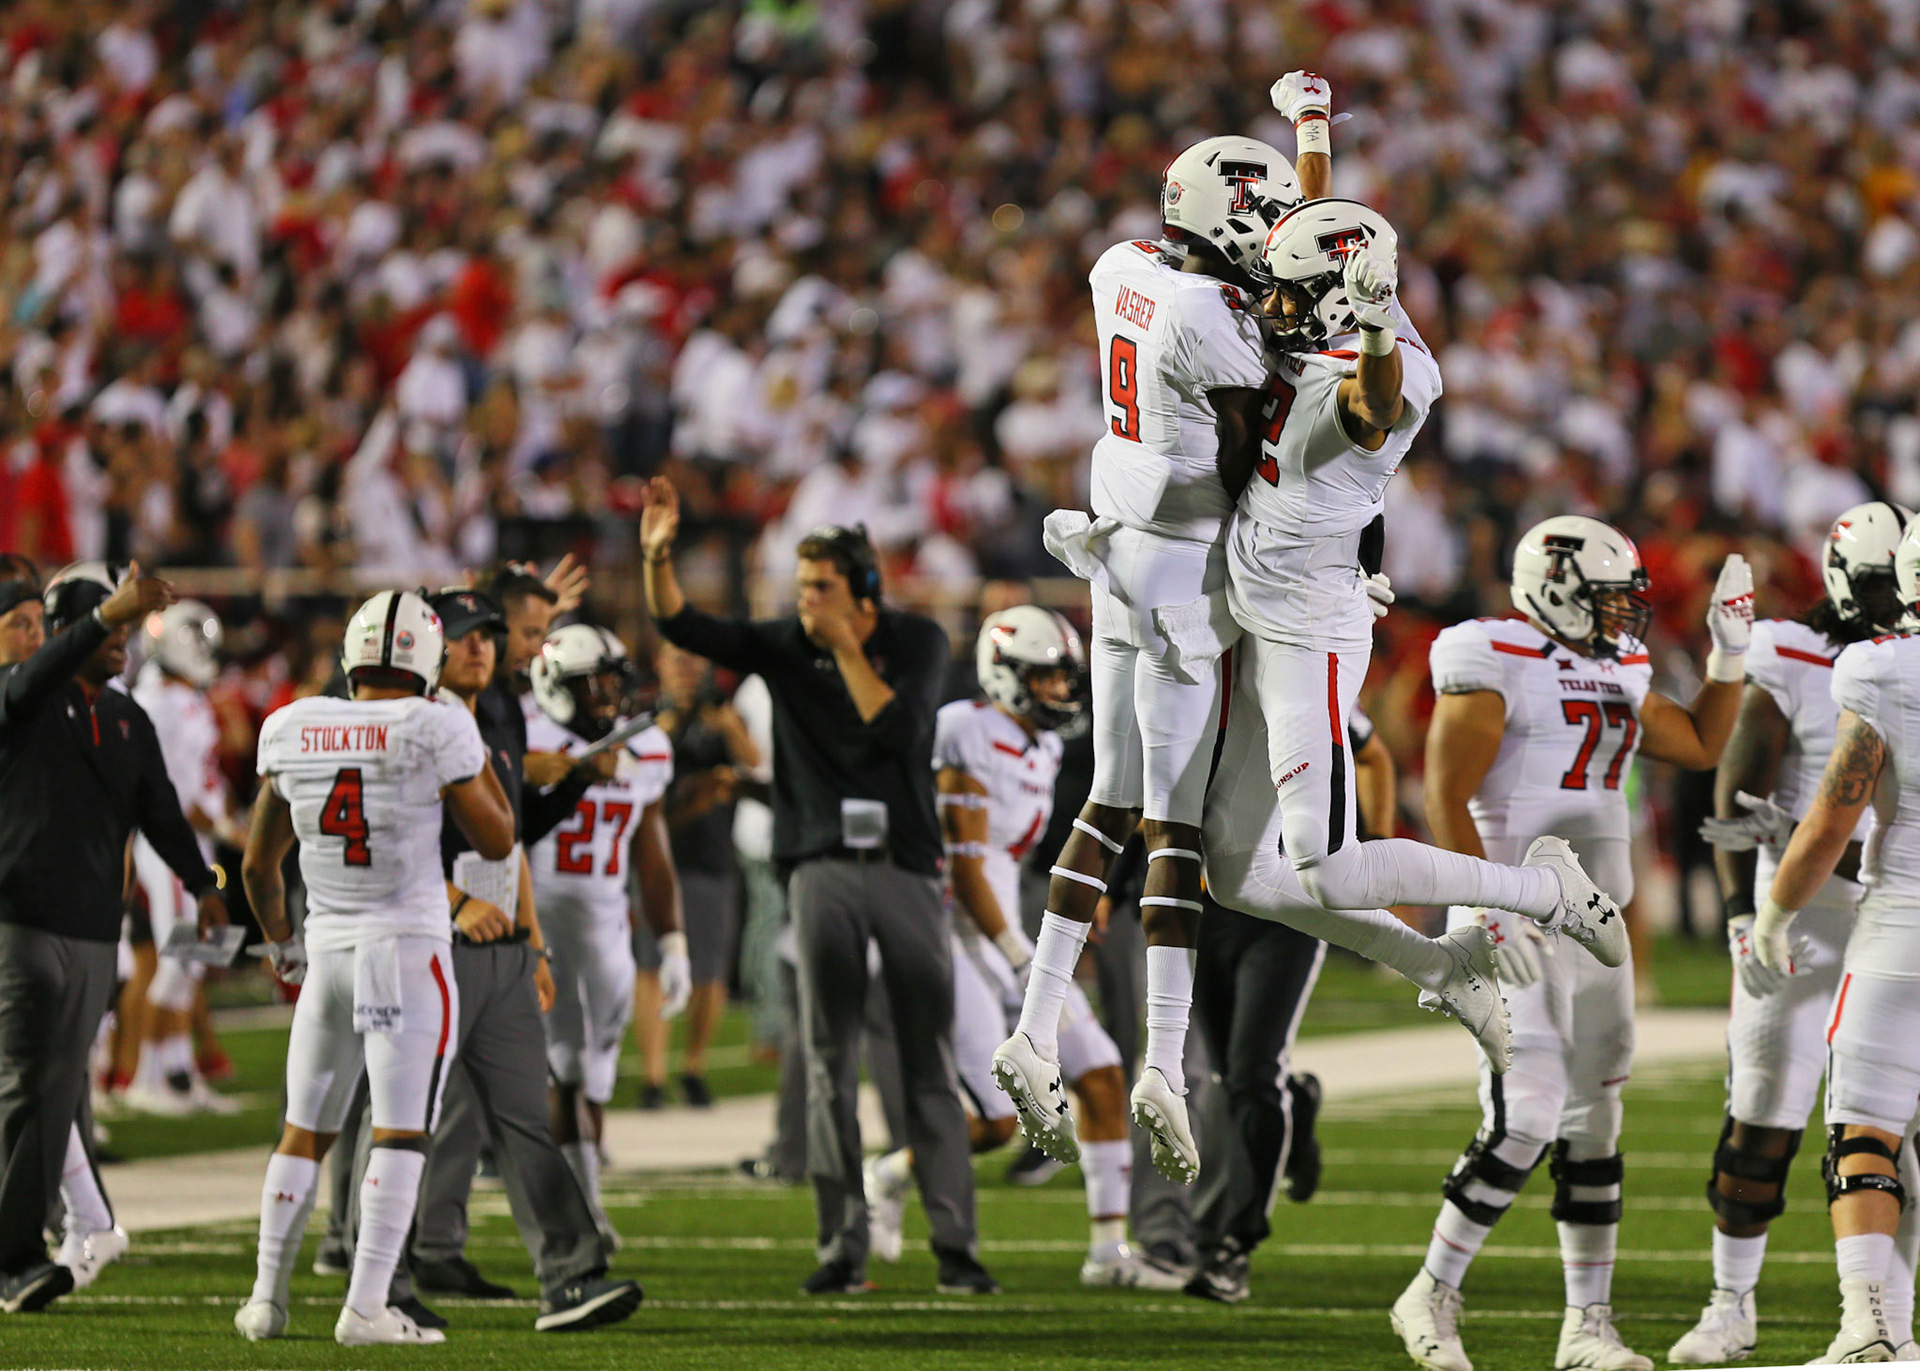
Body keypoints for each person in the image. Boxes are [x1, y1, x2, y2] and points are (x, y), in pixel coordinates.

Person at [992, 118, 1312, 1188]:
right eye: (1260, 212)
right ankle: (1166, 1062)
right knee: (1172, 825)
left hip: (1114, 550)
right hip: (1179, 569)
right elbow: (1253, 446)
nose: (1273, 231)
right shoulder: (1209, 313)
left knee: (1105, 802)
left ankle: (1036, 1027)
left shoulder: (1121, 265)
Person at [1391, 517, 1749, 1371]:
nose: (1626, 612)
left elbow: (1699, 741)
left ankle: (1588, 1325)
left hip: (1600, 936)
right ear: (1556, 586)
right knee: (1529, 1114)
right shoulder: (1494, 652)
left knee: (1596, 1124)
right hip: (1519, 925)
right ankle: (1431, 1291)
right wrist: (1487, 911)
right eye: (1609, 596)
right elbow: (1447, 793)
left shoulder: (1615, 662)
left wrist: (1729, 659)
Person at [641, 475, 994, 1297]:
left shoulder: (915, 641)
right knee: (829, 1061)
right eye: (801, 587)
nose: (805, 602)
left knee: (927, 1061)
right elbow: (680, 622)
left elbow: (895, 728)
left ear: (864, 591)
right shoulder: (783, 643)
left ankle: (956, 1243)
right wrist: (657, 557)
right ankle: (843, 1246)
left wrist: (841, 645)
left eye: (822, 588)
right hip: (820, 866)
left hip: (906, 867)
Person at [233, 589, 515, 1347]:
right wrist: (469, 751)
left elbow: (259, 866)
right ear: (425, 660)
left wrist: (280, 940)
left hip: (325, 950)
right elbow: (496, 839)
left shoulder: (292, 723)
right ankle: (365, 1306)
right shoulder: (436, 722)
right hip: (407, 949)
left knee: (303, 1129)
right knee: (399, 1130)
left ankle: (265, 1298)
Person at [1671, 502, 1914, 1364]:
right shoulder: (1795, 651)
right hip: (1806, 910)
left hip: (1882, 906)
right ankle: (1731, 1299)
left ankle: (1887, 1321)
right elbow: (1740, 788)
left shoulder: (1891, 665)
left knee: (1887, 1125)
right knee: (1767, 1101)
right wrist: (1746, 912)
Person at [366, 591, 643, 1334]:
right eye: (465, 638)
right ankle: (374, 1276)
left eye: (491, 636)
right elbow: (385, 836)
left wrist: (532, 938)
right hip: (424, 937)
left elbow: (509, 835)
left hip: (498, 946)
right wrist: (457, 903)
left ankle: (570, 1275)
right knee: (394, 1115)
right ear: (427, 648)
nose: (482, 649)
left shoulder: (497, 713)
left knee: (525, 1114)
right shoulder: (399, 725)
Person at [867, 607, 1142, 1285]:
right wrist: (1022, 957)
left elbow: (1016, 856)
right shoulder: (965, 729)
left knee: (1103, 1074)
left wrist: (1084, 895)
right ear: (1006, 673)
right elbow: (964, 864)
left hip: (1006, 929)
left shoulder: (1042, 746)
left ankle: (1108, 1252)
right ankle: (888, 1173)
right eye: (1045, 676)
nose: (1058, 689)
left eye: (1061, 676)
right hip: (955, 935)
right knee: (993, 1120)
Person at [0, 559, 225, 1314]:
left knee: (55, 1096)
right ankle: (15, 1257)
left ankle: (59, 1234)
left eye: (127, 623)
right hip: (19, 921)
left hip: (93, 930)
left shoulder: (127, 717)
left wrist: (202, 885)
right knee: (28, 1090)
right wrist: (97, 617)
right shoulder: (24, 696)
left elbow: (161, 810)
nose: (123, 634)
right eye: (109, 624)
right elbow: (26, 683)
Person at [1749, 519, 1920, 1363]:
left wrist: (1775, 914)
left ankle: (1871, 1330)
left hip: (1901, 930)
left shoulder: (1883, 669)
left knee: (1864, 1127)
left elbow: (1829, 820)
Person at [1181, 704, 1390, 1304]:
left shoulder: (1298, 681)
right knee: (1232, 1076)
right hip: (1211, 905)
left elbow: (1373, 754)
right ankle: (1294, 1108)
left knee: (1250, 1075)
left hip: (1287, 908)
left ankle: (1235, 1245)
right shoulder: (1195, 685)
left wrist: (1365, 840)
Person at [526, 622, 685, 1243]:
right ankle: (583, 1213)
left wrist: (672, 941)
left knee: (591, 1076)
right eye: (595, 686)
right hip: (544, 921)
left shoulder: (643, 749)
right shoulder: (527, 740)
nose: (610, 700)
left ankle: (581, 1204)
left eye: (614, 685)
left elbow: (652, 849)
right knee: (564, 1069)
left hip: (607, 926)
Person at [127, 599, 243, 1115]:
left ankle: (178, 1075)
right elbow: (172, 796)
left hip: (196, 844)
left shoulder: (182, 697)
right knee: (176, 961)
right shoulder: (162, 703)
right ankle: (145, 1080)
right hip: (170, 843)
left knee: (192, 963)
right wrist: (228, 829)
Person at [651, 641, 752, 1108]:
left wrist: (731, 730)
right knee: (648, 966)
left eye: (694, 659)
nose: (687, 670)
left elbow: (756, 764)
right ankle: (654, 1077)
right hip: (657, 855)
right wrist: (662, 732)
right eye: (678, 659)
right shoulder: (650, 717)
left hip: (711, 855)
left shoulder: (722, 717)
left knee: (708, 970)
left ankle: (693, 1068)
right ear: (660, 665)